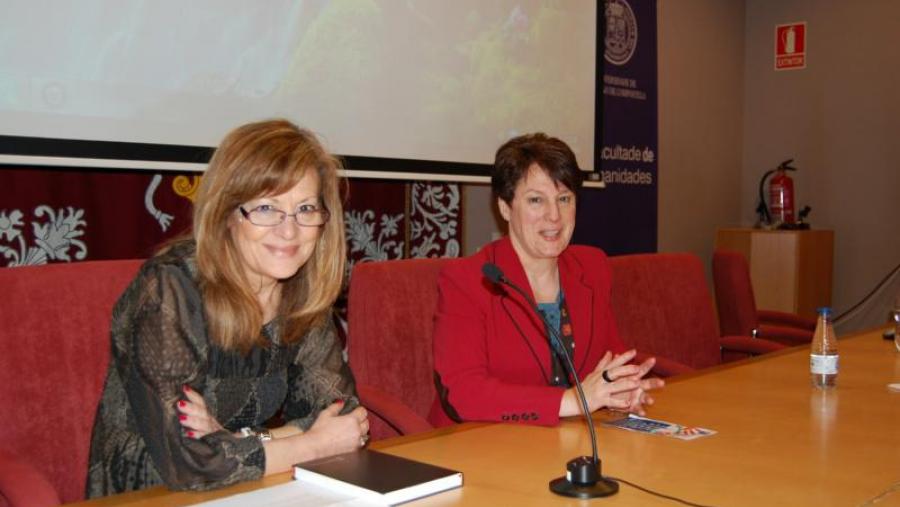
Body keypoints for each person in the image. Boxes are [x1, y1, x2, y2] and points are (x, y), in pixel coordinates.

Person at [86, 119, 368, 497]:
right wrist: (311, 445)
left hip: (252, 487)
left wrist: (233, 437)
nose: (289, 230)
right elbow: (189, 463)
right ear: (227, 214)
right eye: (267, 208)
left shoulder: (301, 289)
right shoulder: (171, 289)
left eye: (305, 208)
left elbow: (343, 415)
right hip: (150, 493)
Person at [429, 133, 663, 427]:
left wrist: (622, 389)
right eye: (536, 200)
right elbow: (463, 394)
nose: (554, 216)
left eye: (564, 199)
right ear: (504, 207)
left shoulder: (592, 267)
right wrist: (574, 401)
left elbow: (609, 359)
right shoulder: (466, 280)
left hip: (568, 441)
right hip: (481, 444)